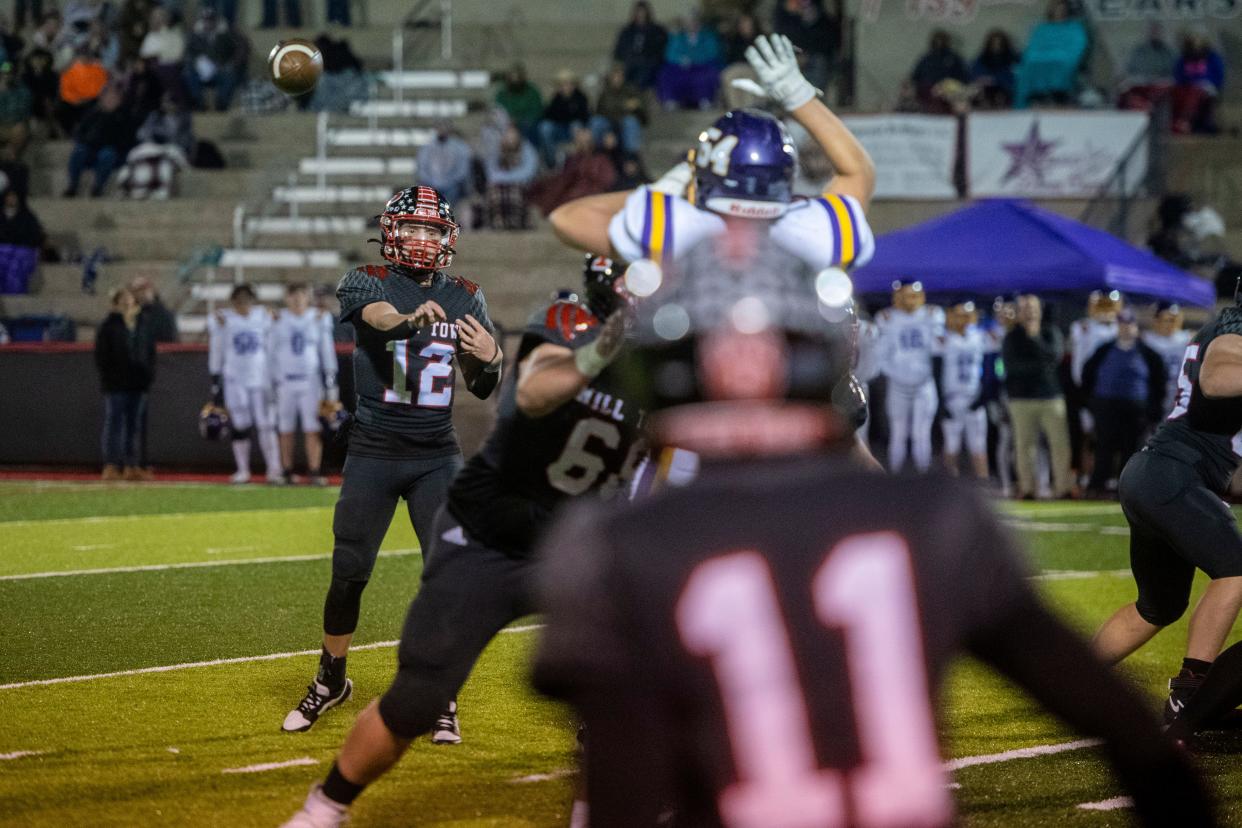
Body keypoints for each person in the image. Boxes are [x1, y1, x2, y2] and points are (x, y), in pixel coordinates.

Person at [533, 244, 1216, 828]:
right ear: (821, 355)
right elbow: (1123, 731)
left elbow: (620, 779)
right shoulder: (930, 516)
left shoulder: (610, 545)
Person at [279, 256, 642, 827]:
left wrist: (490, 356)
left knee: (622, 698)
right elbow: (528, 393)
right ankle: (326, 792)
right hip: (483, 524)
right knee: (403, 670)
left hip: (578, 535)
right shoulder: (567, 320)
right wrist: (602, 351)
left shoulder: (675, 357)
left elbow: (487, 381)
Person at [280, 186, 502, 737]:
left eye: (432, 231)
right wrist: (409, 321)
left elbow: (481, 384)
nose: (423, 240)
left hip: (436, 454)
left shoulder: (468, 295)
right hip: (374, 450)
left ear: (447, 239)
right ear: (391, 233)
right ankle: (332, 679)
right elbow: (378, 319)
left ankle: (440, 692)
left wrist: (491, 358)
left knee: (447, 576)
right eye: (414, 229)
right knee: (349, 570)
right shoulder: (366, 280)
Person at [550, 35, 877, 279]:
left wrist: (668, 188)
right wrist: (799, 96)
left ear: (705, 171)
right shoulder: (815, 230)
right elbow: (857, 173)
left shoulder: (674, 227)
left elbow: (566, 219)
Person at [1092, 300, 1242, 725]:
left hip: (1156, 474)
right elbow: (1215, 378)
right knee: (1236, 570)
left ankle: (1069, 676)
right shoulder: (1234, 332)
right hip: (1170, 475)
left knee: (1157, 607)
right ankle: (1189, 694)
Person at [1081, 308, 1166, 497]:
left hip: (1135, 408)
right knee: (1104, 447)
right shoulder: (1104, 349)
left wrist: (1153, 410)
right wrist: (1091, 403)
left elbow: (1159, 382)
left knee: (1132, 448)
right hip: (1107, 405)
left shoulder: (1148, 353)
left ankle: (1125, 488)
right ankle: (1097, 486)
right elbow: (1088, 375)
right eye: (1122, 324)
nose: (1126, 328)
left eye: (1130, 324)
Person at [208, 283, 282, 484]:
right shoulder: (224, 319)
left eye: (247, 299)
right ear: (233, 302)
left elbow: (277, 336)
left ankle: (274, 469)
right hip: (235, 379)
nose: (243, 304)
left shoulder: (263, 316)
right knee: (240, 424)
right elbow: (217, 350)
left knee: (266, 425)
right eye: (239, 300)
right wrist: (215, 377)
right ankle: (242, 470)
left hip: (260, 379)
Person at [1003, 294, 1073, 499]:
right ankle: (1027, 489)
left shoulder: (1050, 331)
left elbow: (1055, 356)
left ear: (1040, 310)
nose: (1030, 312)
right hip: (1021, 399)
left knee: (1060, 445)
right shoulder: (1012, 336)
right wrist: (1041, 365)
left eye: (1033, 308)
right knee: (1025, 447)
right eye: (1025, 308)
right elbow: (1012, 367)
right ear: (1019, 312)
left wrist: (1034, 339)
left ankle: (1063, 488)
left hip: (1051, 397)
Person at [270, 282, 337, 485]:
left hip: (311, 381)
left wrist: (330, 378)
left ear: (308, 297)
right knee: (285, 427)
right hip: (286, 380)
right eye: (293, 294)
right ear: (287, 298)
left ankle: (314, 470)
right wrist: (271, 380)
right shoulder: (277, 319)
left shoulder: (318, 318)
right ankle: (286, 470)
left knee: (312, 427)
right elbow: (271, 352)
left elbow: (326, 351)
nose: (298, 299)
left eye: (301, 294)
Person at [876, 280, 942, 473]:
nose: (909, 301)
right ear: (897, 297)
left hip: (923, 383)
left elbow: (938, 350)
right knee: (899, 433)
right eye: (904, 296)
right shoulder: (887, 318)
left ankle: (923, 480)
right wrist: (895, 373)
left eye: (913, 296)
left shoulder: (932, 315)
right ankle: (895, 480)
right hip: (898, 384)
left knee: (921, 434)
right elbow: (882, 355)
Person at [94, 285, 156, 481]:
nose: (127, 304)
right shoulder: (109, 326)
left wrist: (147, 376)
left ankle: (132, 465)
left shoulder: (142, 324)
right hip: (116, 384)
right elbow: (102, 356)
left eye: (129, 300)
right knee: (114, 423)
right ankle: (111, 464)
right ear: (115, 304)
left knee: (133, 425)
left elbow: (149, 352)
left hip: (138, 383)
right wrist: (109, 378)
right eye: (122, 301)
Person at [936, 300, 988, 478]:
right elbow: (936, 371)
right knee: (951, 446)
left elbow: (992, 368)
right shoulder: (943, 339)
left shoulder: (980, 337)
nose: (963, 320)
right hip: (952, 398)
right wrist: (941, 403)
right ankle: (949, 490)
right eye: (958, 316)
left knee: (978, 446)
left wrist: (984, 396)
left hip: (975, 396)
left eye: (966, 316)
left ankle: (983, 487)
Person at [1014, 0, 1088, 108]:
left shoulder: (1075, 27)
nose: (1059, 12)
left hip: (1064, 57)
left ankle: (1057, 93)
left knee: (1061, 60)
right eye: (1057, 9)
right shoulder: (1041, 28)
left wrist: (1060, 54)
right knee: (1029, 62)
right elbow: (1032, 47)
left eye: (1062, 9)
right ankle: (1035, 96)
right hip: (1040, 56)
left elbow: (1077, 47)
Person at [528, 127, 617, 218]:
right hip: (574, 192)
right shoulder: (574, 158)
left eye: (585, 139)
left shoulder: (602, 158)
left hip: (593, 194)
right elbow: (564, 179)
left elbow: (607, 180)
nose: (582, 140)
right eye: (579, 138)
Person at [63, 82, 130, 198]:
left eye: (114, 97)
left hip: (111, 150)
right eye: (107, 96)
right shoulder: (93, 113)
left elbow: (124, 139)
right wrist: (85, 140)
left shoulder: (123, 116)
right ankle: (72, 186)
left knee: (107, 155)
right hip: (90, 147)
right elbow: (80, 132)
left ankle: (98, 187)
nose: (110, 99)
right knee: (79, 151)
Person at [656, 10, 723, 110]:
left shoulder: (708, 36)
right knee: (666, 72)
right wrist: (681, 59)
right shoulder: (678, 37)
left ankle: (704, 99)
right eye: (688, 22)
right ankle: (671, 100)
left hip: (701, 66)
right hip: (682, 68)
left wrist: (693, 59)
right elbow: (670, 54)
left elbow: (712, 52)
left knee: (709, 73)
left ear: (698, 22)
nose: (691, 24)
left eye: (693, 21)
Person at [183, 5, 243, 112]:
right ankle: (198, 102)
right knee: (188, 73)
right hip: (200, 71)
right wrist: (197, 62)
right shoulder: (194, 36)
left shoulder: (226, 35)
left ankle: (221, 103)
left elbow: (238, 49)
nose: (208, 23)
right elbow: (188, 54)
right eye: (206, 20)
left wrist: (228, 63)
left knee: (230, 75)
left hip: (220, 70)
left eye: (211, 20)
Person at [772, 0, 835, 95]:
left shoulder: (814, 5)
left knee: (815, 91)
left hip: (815, 55)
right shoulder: (783, 8)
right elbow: (781, 33)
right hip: (792, 56)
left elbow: (822, 30)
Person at [482, 123, 537, 230]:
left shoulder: (527, 150)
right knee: (496, 191)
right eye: (507, 133)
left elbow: (527, 172)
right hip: (500, 184)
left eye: (512, 134)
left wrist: (505, 178)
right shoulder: (497, 149)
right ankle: (498, 222)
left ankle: (514, 222)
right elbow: (490, 171)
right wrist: (502, 179)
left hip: (521, 183)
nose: (509, 136)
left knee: (513, 191)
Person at [1143, 302, 1193, 416]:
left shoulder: (1185, 338)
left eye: (1173, 320)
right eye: (1167, 320)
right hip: (1154, 388)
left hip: (1177, 387)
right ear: (1156, 320)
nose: (1170, 324)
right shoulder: (1147, 340)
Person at [1172, 29, 1225, 135]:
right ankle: (1186, 123)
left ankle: (1201, 124)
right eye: (1194, 39)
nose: (1196, 42)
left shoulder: (1213, 57)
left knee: (1202, 94)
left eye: (1199, 39)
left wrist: (1209, 84)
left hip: (1208, 87)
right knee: (1187, 95)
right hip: (1188, 88)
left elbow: (1219, 76)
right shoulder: (1184, 58)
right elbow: (1178, 75)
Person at [535, 69, 590, 168]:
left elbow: (584, 117)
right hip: (559, 129)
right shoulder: (556, 99)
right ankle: (551, 162)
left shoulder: (581, 98)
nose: (566, 86)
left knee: (576, 125)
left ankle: (578, 161)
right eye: (562, 84)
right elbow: (548, 116)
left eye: (568, 83)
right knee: (545, 128)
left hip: (574, 130)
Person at [589, 63, 647, 155]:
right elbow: (603, 108)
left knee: (631, 122)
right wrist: (625, 106)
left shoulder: (631, 90)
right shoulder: (604, 91)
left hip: (624, 122)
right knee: (596, 122)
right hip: (607, 121)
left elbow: (642, 109)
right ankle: (594, 152)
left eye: (619, 76)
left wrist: (633, 107)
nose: (617, 78)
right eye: (614, 76)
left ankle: (631, 156)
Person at [908, 29, 969, 114]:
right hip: (929, 89)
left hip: (949, 90)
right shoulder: (926, 59)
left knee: (949, 91)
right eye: (937, 41)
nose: (939, 43)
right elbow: (915, 76)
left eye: (941, 41)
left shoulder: (954, 58)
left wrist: (946, 86)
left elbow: (964, 77)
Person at [1120, 23, 1175, 111]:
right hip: (1142, 85)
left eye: (1158, 32)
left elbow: (1173, 71)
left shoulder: (1169, 52)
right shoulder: (1139, 51)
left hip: (1162, 87)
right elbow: (1130, 70)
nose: (1155, 34)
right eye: (1153, 32)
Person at [612, 1, 667, 89]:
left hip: (648, 64)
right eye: (638, 12)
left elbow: (659, 52)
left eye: (642, 12)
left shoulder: (657, 31)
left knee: (643, 75)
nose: (640, 15)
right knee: (619, 74)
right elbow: (618, 51)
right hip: (629, 62)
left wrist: (648, 60)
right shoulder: (627, 31)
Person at [414, 122, 472, 205]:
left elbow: (462, 169)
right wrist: (430, 182)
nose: (442, 131)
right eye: (440, 128)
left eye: (444, 128)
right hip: (431, 184)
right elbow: (421, 168)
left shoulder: (459, 147)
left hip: (452, 185)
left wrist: (451, 181)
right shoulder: (427, 147)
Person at [56, 45, 108, 135]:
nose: (84, 57)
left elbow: (102, 88)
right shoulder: (70, 70)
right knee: (62, 107)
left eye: (86, 54)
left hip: (92, 100)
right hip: (74, 102)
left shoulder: (99, 69)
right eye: (82, 55)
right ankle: (69, 133)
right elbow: (65, 90)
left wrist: (87, 98)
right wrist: (75, 100)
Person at [971, 28, 1020, 109]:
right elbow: (977, 71)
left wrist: (997, 79)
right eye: (994, 43)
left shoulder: (1011, 56)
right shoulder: (984, 56)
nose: (996, 46)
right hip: (989, 86)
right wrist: (984, 78)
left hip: (1005, 85)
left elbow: (1014, 72)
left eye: (999, 43)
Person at [493, 63, 542, 142]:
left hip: (527, 124)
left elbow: (536, 111)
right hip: (507, 124)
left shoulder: (532, 91)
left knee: (529, 126)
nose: (515, 81)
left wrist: (519, 120)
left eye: (518, 78)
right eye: (512, 78)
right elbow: (498, 110)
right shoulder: (502, 93)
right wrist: (508, 120)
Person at [0, 62, 32, 159]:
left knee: (20, 129)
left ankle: (11, 156)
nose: (7, 76)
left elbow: (22, 112)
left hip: (15, 125)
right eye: (4, 73)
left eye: (10, 73)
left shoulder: (23, 91)